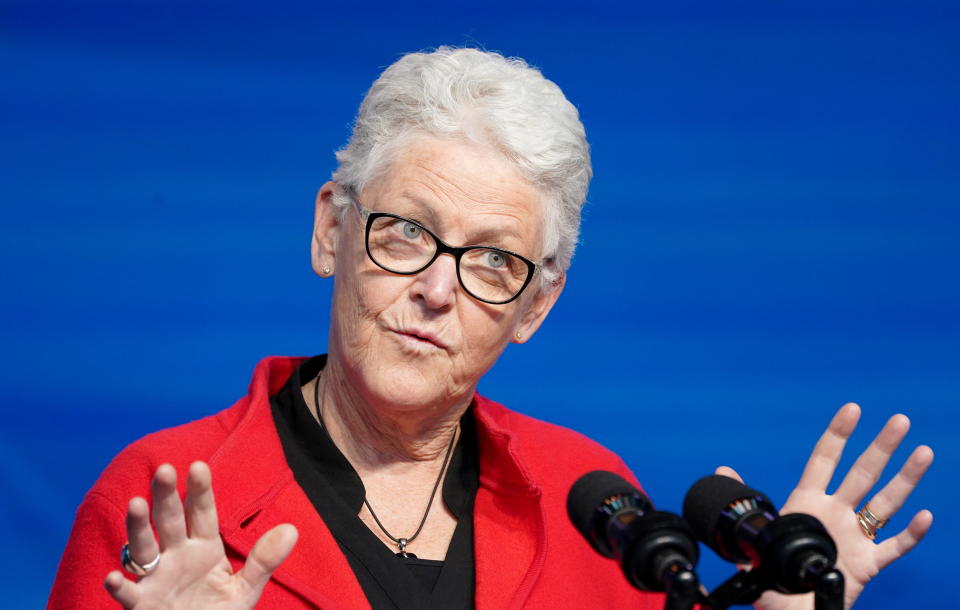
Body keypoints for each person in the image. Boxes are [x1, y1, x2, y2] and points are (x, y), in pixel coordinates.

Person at [48, 47, 933, 610]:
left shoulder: (593, 498)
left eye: (493, 262)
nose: (438, 289)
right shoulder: (159, 500)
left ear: (535, 307)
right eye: (406, 232)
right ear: (330, 231)